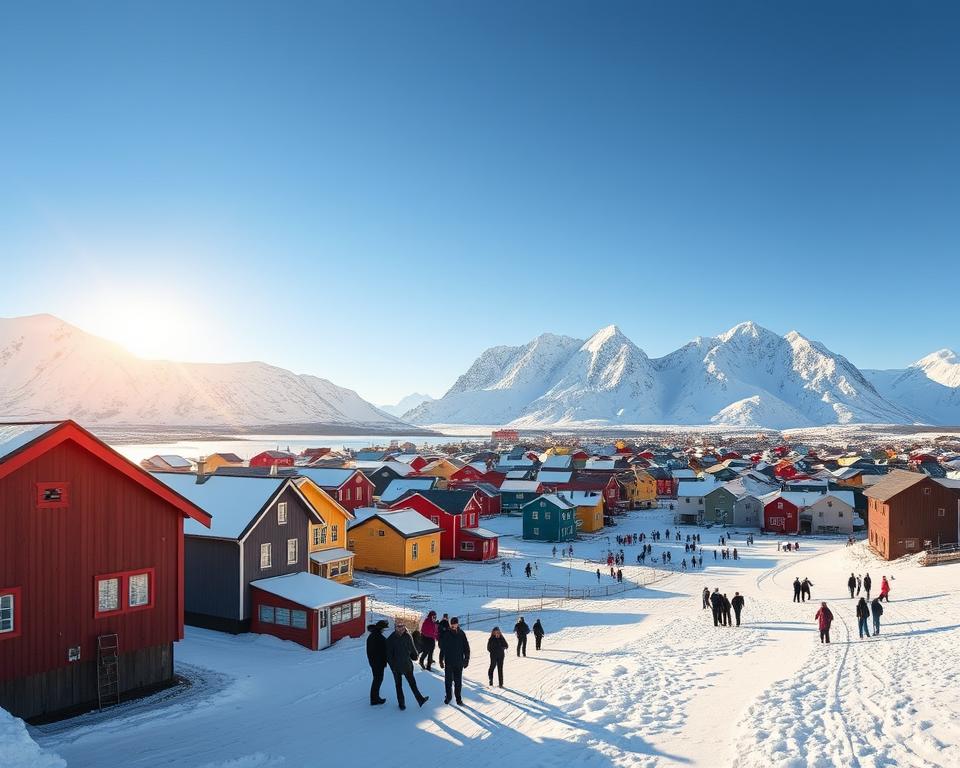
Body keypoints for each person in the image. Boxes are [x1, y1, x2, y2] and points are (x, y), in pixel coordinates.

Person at [386, 621, 429, 710]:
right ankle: (401, 704)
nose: (401, 628)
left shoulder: (407, 636)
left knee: (413, 684)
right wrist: (393, 667)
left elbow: (412, 648)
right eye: (398, 626)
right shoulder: (391, 639)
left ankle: (420, 699)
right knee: (398, 685)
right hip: (396, 667)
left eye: (402, 626)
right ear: (395, 627)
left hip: (407, 665)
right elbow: (389, 656)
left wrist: (415, 655)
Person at [437, 616, 470, 705]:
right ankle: (448, 697)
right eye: (452, 625)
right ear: (450, 624)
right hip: (449, 662)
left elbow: (466, 647)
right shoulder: (446, 634)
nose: (454, 626)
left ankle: (458, 699)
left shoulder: (461, 633)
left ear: (457, 624)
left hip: (459, 662)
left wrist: (466, 659)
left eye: (455, 624)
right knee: (448, 681)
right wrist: (441, 659)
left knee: (458, 682)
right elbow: (442, 648)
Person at [366, 619, 389, 705]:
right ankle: (374, 699)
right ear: (380, 628)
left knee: (376, 679)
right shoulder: (379, 638)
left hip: (373, 662)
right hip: (378, 663)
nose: (384, 630)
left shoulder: (372, 636)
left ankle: (374, 697)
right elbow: (384, 651)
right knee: (378, 679)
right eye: (383, 628)